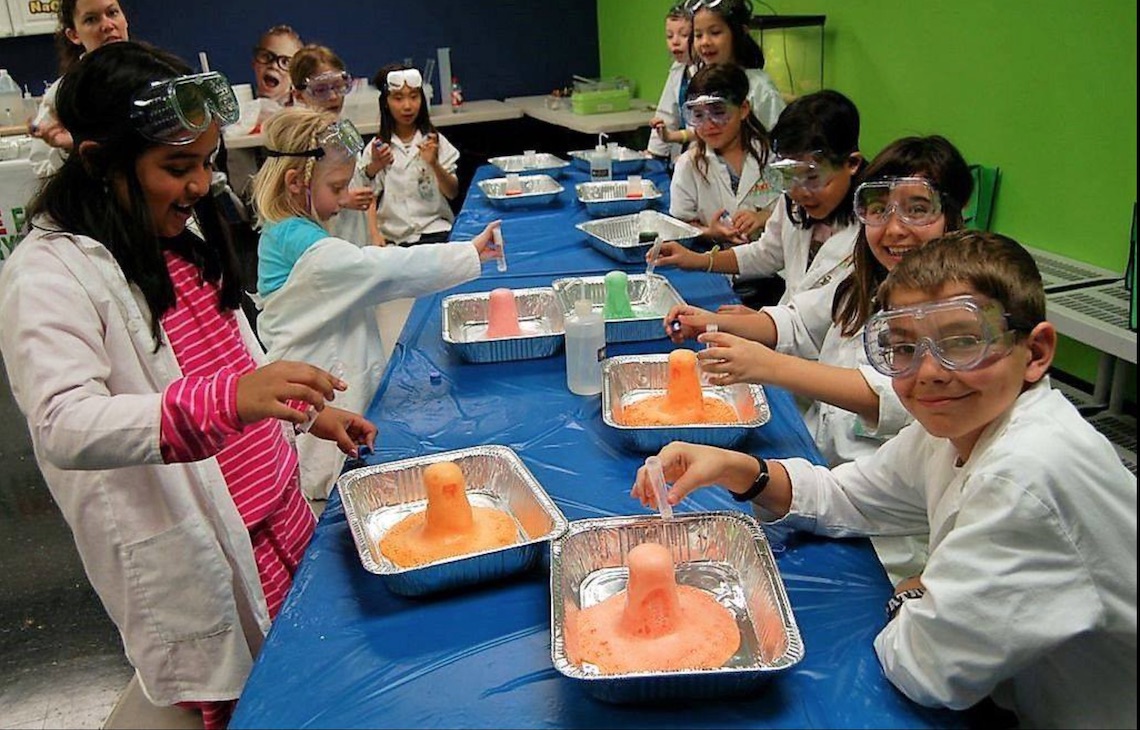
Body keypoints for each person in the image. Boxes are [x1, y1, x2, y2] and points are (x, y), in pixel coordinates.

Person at [0, 42, 377, 729]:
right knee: (260, 706)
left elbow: (234, 363)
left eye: (206, 162)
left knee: (313, 678)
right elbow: (63, 423)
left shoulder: (175, 235)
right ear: (98, 160)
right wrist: (228, 401)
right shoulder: (46, 274)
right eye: (177, 168)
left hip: (280, 516)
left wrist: (303, 414)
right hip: (208, 550)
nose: (201, 184)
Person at [633, 231, 1137, 729]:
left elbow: (926, 668)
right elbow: (848, 496)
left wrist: (909, 594)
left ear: (1037, 351)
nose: (929, 371)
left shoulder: (1023, 475)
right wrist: (739, 468)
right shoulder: (962, 426)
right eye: (903, 347)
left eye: (963, 341)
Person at [669, 135, 974, 582]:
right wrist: (712, 321)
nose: (895, 229)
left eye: (917, 209)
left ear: (954, 213)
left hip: (886, 535)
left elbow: (887, 396)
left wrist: (766, 365)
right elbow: (798, 321)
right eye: (879, 209)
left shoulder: (959, 315)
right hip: (833, 481)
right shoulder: (861, 281)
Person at [250, 106, 502, 501]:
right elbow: (382, 270)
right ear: (296, 183)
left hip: (329, 380)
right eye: (336, 188)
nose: (343, 199)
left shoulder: (294, 230)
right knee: (328, 482)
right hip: (319, 396)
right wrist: (466, 254)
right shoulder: (296, 240)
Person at [656, 89, 863, 311]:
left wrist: (764, 322)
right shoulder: (793, 203)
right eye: (788, 176)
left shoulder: (869, 231)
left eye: (812, 177)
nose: (800, 192)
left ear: (852, 164)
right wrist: (697, 260)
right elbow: (767, 253)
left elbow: (821, 318)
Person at [663, 63, 774, 253]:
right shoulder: (688, 165)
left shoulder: (769, 157)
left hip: (771, 261)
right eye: (698, 115)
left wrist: (762, 217)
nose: (709, 124)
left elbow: (793, 208)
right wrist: (710, 232)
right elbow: (680, 225)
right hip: (714, 260)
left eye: (719, 112)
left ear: (743, 109)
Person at [361, 63, 461, 246]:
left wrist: (434, 163)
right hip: (394, 238)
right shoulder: (378, 148)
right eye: (398, 98)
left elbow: (452, 192)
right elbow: (368, 198)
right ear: (385, 102)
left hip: (435, 231)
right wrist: (374, 235)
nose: (407, 106)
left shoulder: (435, 140)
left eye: (414, 97)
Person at [27, 0, 129, 173]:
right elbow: (42, 168)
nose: (107, 25)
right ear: (74, 35)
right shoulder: (62, 94)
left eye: (112, 13)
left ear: (125, 20)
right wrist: (72, 149)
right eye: (91, 19)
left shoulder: (155, 74)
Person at [289, 44, 374, 246]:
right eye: (321, 90)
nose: (333, 96)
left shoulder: (344, 127)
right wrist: (343, 199)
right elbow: (293, 198)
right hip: (324, 239)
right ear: (298, 95)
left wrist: (372, 169)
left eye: (338, 86)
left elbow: (356, 178)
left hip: (357, 236)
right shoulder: (299, 139)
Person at [685, 0, 785, 132]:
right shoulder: (698, 82)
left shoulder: (759, 87)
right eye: (698, 35)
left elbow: (781, 137)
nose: (705, 42)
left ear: (740, 32)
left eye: (715, 32)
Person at [647, 3, 695, 166]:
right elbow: (667, 114)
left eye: (684, 35)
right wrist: (654, 154)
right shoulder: (678, 69)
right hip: (681, 158)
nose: (675, 42)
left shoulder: (708, 72)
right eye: (669, 36)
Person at [252, 24, 302, 106]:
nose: (274, 66)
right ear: (254, 62)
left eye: (285, 62)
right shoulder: (238, 105)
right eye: (267, 56)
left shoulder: (306, 112)